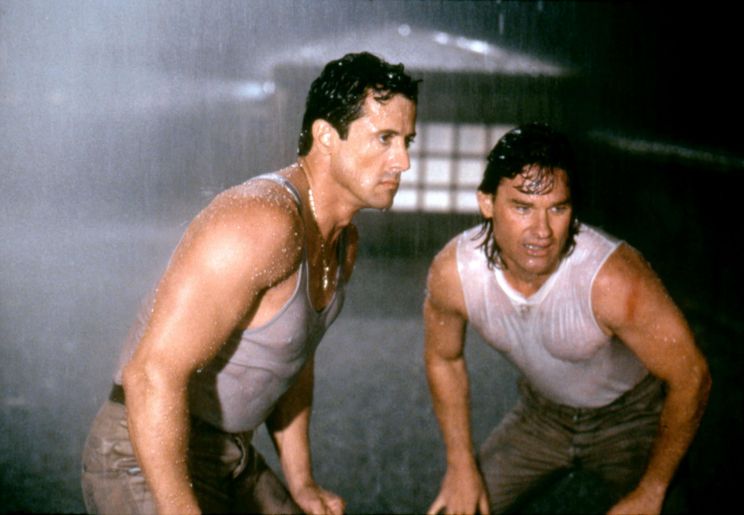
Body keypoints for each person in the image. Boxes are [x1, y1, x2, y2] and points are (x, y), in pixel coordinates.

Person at [81, 51, 418, 515]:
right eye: (385, 138)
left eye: (407, 141)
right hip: (144, 452)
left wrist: (301, 482)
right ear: (326, 136)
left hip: (230, 454)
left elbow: (292, 356)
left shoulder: (344, 242)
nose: (403, 161)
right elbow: (150, 374)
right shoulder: (261, 221)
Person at [424, 123, 711, 515]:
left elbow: (692, 375)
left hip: (632, 419)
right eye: (522, 207)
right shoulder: (455, 272)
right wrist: (460, 465)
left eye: (557, 208)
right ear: (487, 203)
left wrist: (653, 489)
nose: (542, 231)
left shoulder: (611, 278)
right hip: (542, 417)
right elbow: (444, 359)